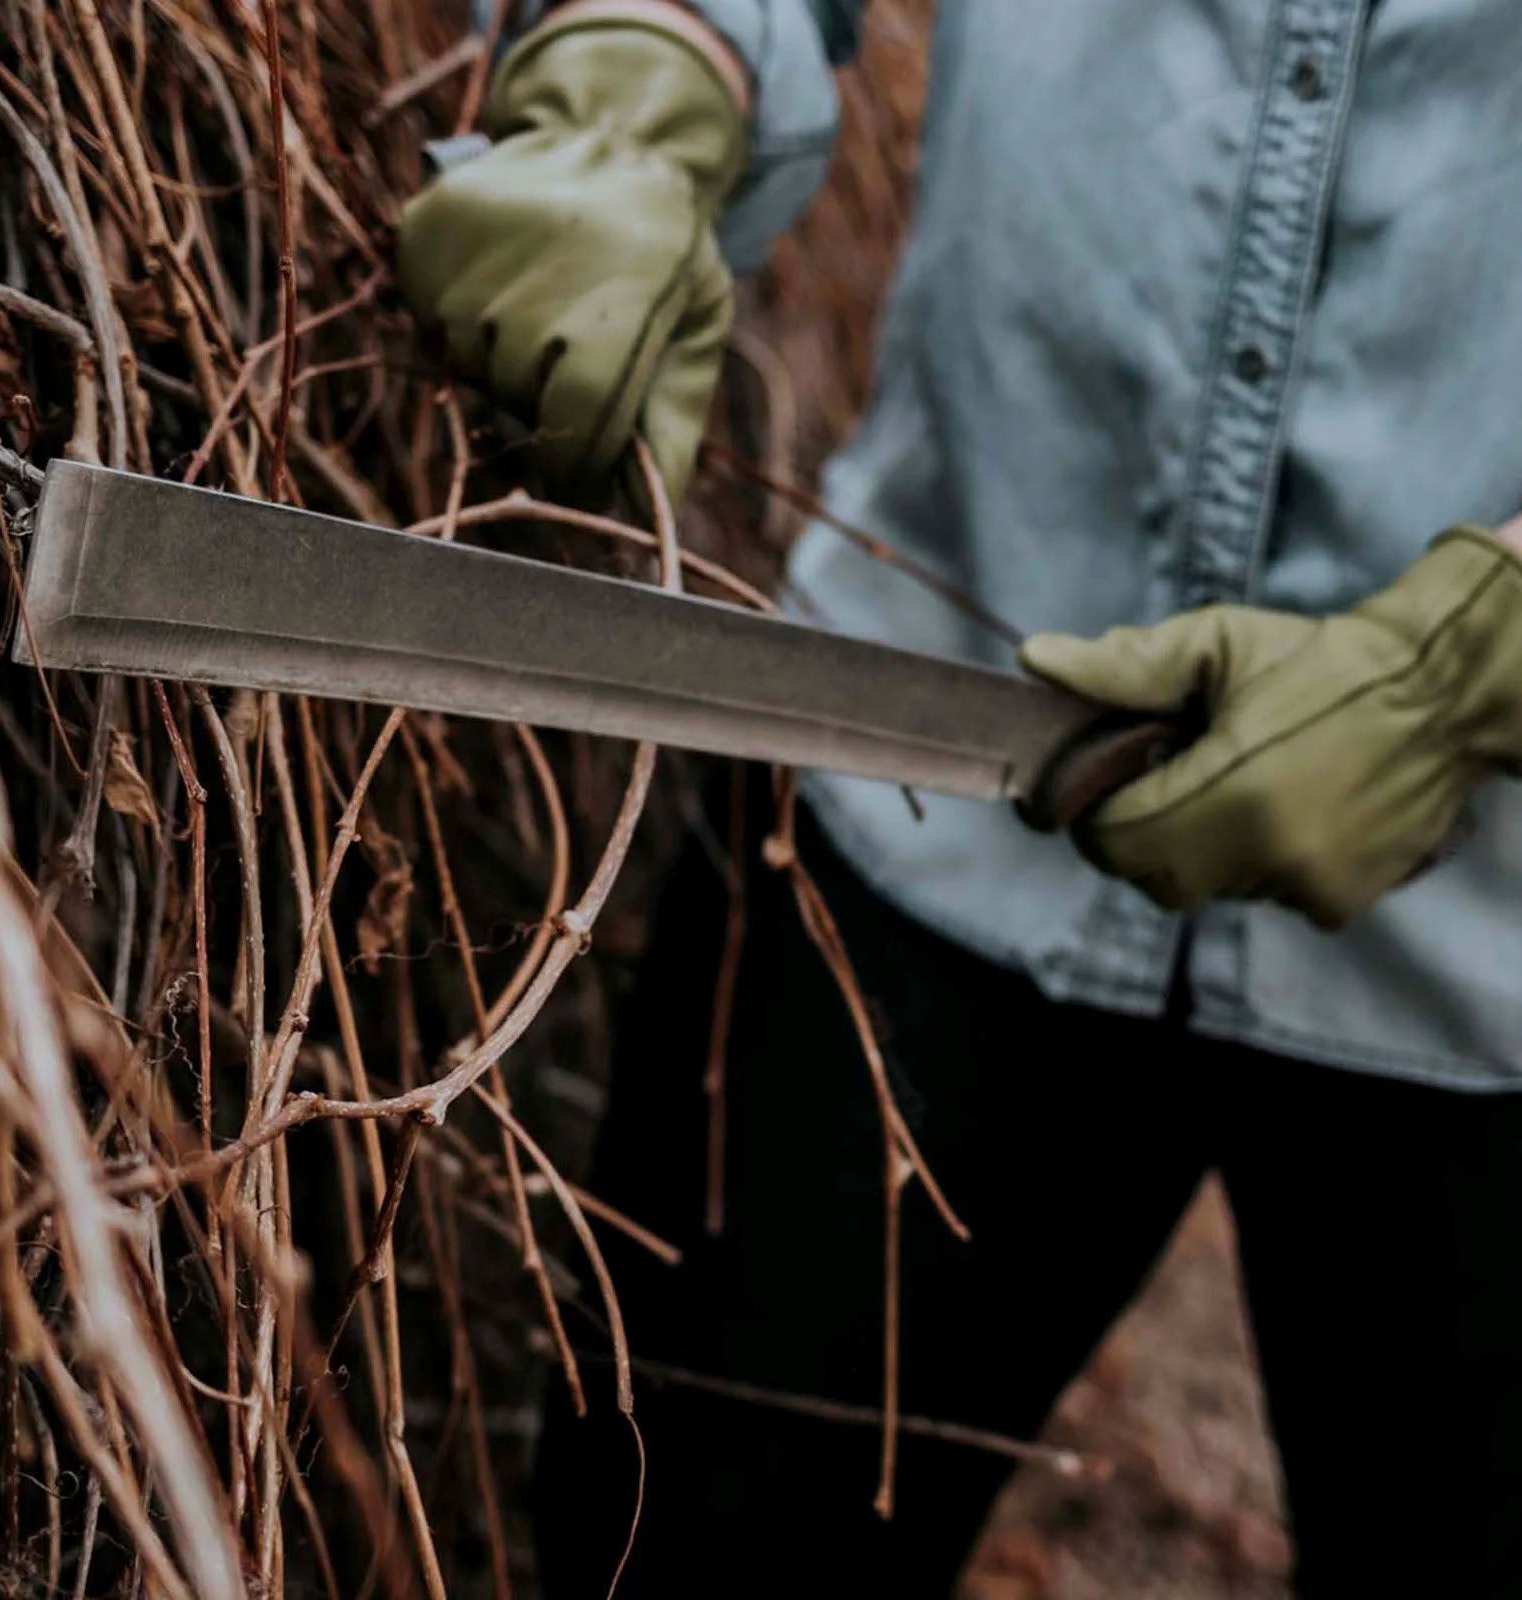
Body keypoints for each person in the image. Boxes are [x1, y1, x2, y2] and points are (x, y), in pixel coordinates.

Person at [397, 3, 1522, 1593]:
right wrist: (633, 80)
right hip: (912, 811)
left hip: (1496, 966)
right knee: (688, 1544)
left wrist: (1478, 660)